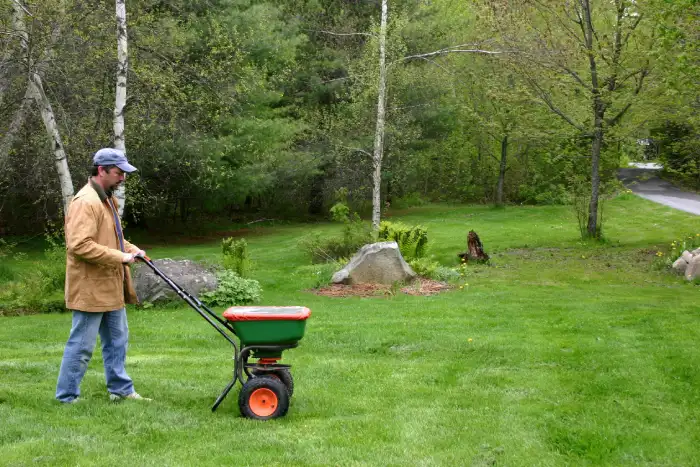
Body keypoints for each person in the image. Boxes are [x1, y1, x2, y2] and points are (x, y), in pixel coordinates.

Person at [56, 148, 149, 403]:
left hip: (110, 286)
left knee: (118, 341)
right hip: (90, 288)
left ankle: (120, 390)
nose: (123, 178)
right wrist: (121, 257)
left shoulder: (107, 199)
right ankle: (67, 396)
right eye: (118, 173)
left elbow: (113, 239)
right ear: (102, 170)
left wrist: (133, 250)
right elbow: (80, 245)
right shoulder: (86, 202)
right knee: (82, 346)